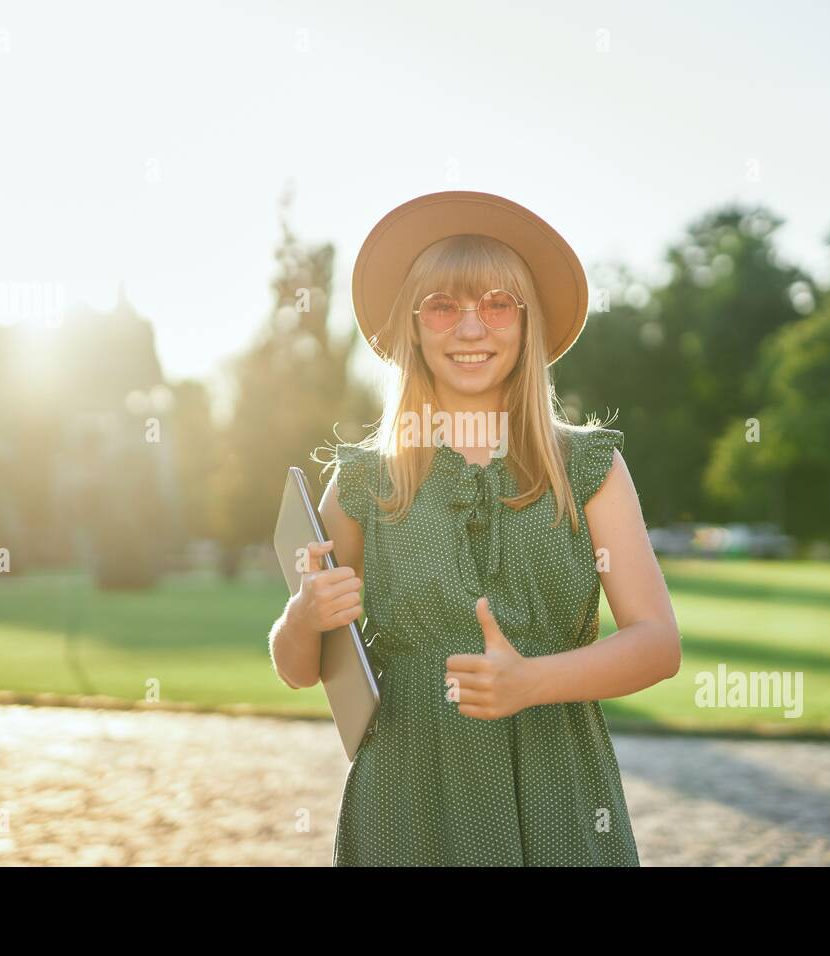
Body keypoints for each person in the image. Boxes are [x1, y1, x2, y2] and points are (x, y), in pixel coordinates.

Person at [268, 190, 681, 865]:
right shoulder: (367, 479)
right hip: (407, 797)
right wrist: (304, 616)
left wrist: (531, 682)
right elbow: (297, 670)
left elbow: (658, 644)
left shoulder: (588, 467)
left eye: (497, 304)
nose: (470, 329)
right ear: (413, 325)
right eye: (443, 307)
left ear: (527, 324)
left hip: (558, 789)